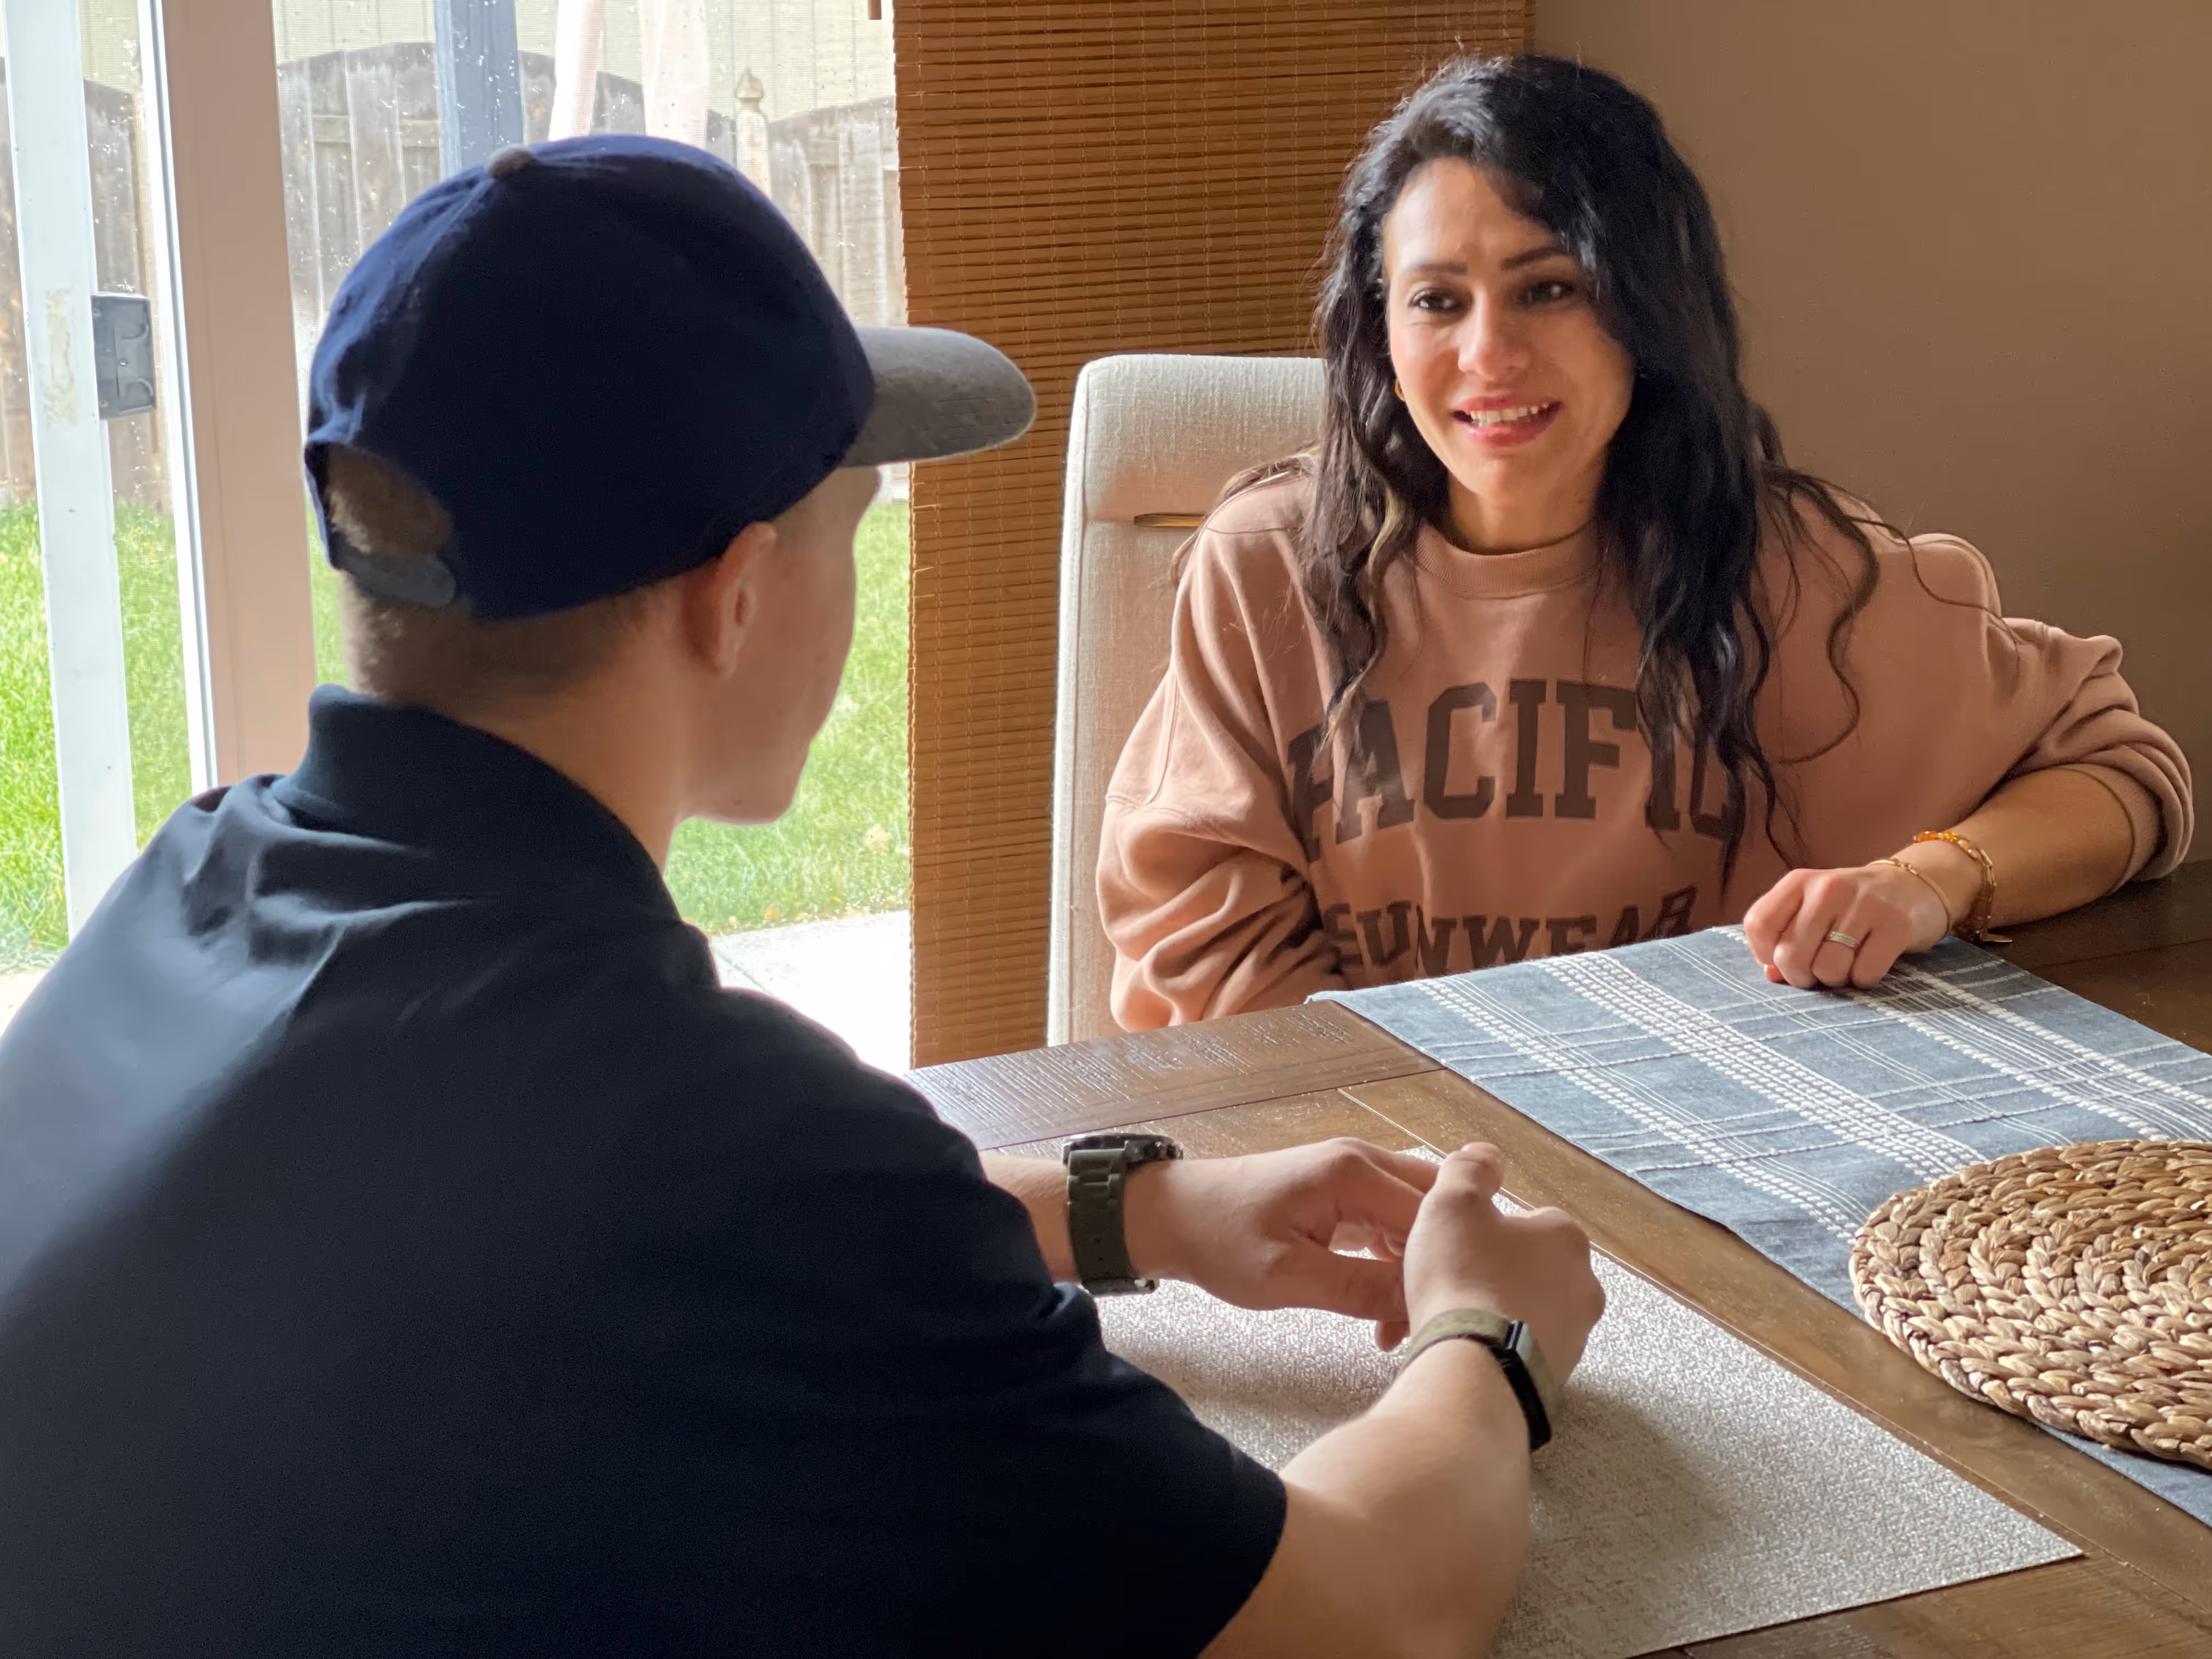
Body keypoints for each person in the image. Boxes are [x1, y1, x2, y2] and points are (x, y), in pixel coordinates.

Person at [0, 136, 1604, 1657]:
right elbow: (1363, 1614)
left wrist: (1134, 1207)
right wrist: (1488, 1335)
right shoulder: (704, 1135)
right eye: (858, 529)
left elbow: (579, 1242)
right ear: (740, 595)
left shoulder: (194, 886)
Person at [1099, 55, 2194, 1031]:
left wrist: (1932, 879)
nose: (1490, 354)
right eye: (1438, 300)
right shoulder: (1269, 567)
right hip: (1371, 1157)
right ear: (1383, 330)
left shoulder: (1793, 572)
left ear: (1647, 308)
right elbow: (1211, 962)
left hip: (1712, 1157)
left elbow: (2125, 776)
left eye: (1549, 289)